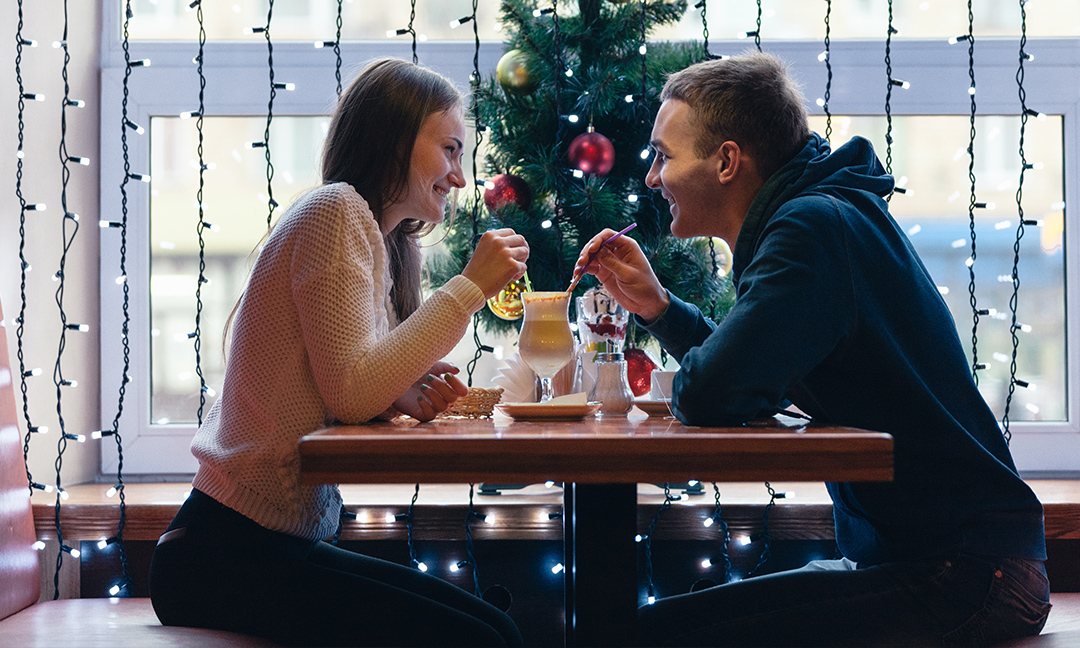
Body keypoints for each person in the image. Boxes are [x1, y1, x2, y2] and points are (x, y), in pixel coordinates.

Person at [574, 52, 1049, 647]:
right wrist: (661, 311)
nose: (651, 178)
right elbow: (740, 374)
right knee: (643, 631)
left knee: (644, 637)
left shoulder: (810, 228)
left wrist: (684, 338)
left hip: (963, 576)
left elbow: (713, 393)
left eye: (665, 157)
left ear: (726, 161)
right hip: (950, 561)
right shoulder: (823, 214)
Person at [148, 58, 528, 648]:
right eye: (450, 149)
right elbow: (351, 391)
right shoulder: (335, 212)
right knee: (489, 636)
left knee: (495, 629)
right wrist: (470, 286)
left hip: (256, 547)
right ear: (397, 138)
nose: (458, 176)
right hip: (219, 556)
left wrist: (400, 390)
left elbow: (345, 384)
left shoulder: (376, 238)